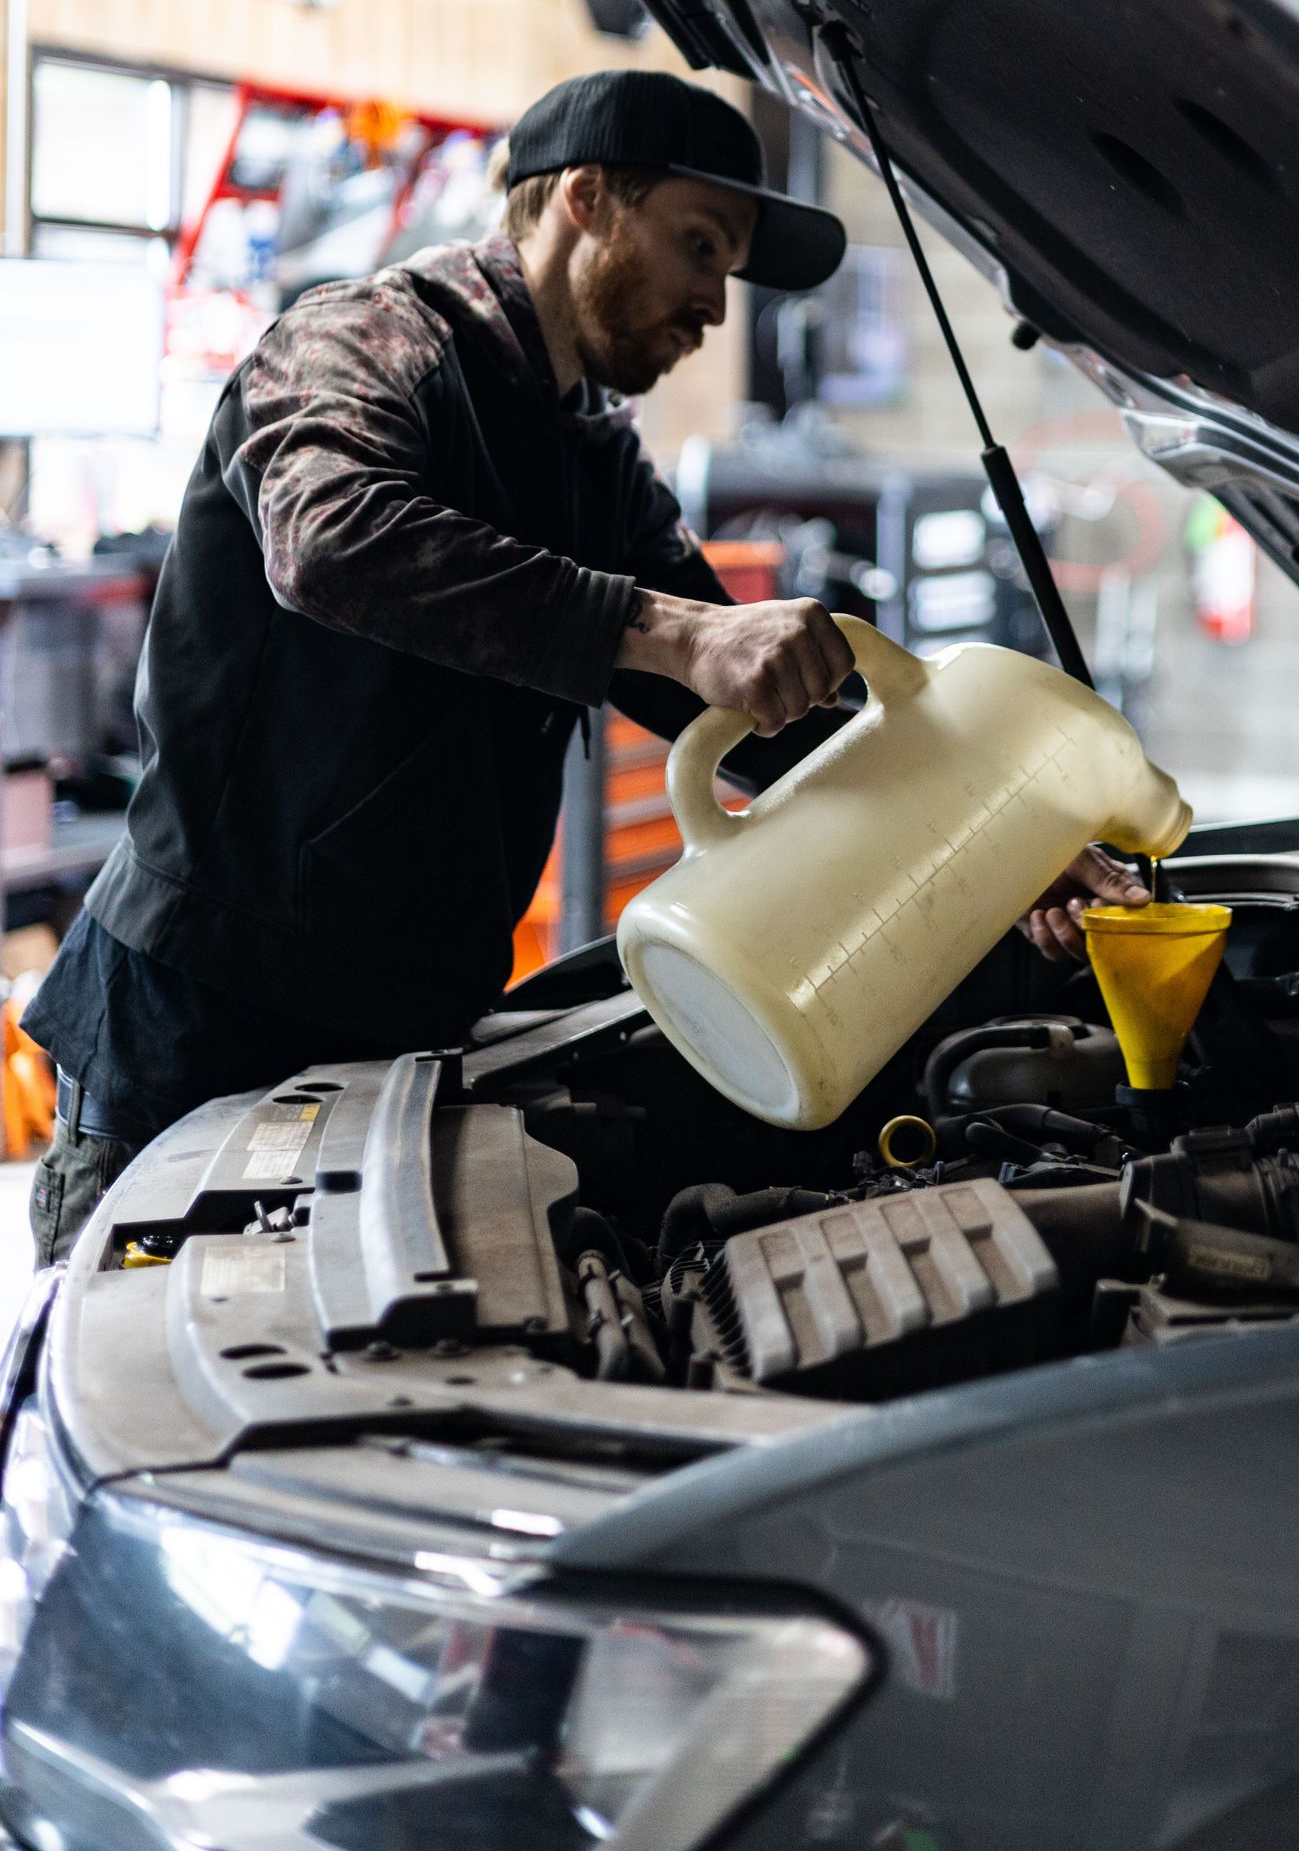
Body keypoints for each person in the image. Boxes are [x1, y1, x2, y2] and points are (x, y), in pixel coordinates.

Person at [27, 71, 1135, 1261]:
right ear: (586, 200)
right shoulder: (365, 338)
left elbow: (778, 720)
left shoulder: (592, 461)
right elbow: (330, 540)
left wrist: (1004, 848)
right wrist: (673, 631)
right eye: (699, 245)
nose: (718, 303)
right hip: (198, 1027)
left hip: (401, 1038)